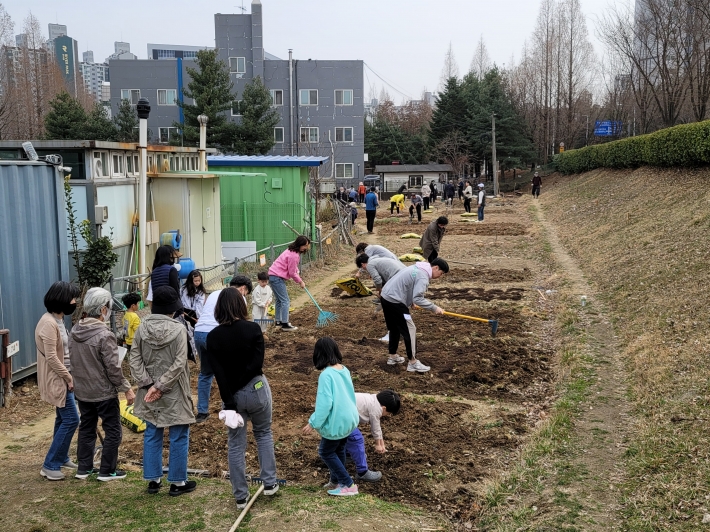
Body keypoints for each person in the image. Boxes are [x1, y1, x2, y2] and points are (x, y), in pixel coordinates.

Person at [207, 288, 280, 509]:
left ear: (219, 308)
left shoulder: (213, 337)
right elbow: (256, 365)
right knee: (263, 433)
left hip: (231, 397)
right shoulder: (253, 329)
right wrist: (240, 385)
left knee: (236, 444)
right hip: (257, 389)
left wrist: (229, 400)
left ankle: (240, 496)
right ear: (241, 305)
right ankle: (270, 484)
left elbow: (218, 373)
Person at [129, 286, 196, 497]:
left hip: (149, 390)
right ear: (174, 307)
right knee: (178, 433)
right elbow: (179, 363)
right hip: (174, 388)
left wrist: (148, 385)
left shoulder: (141, 328)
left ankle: (153, 479)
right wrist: (161, 385)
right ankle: (177, 482)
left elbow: (134, 358)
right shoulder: (179, 329)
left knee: (152, 431)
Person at [69, 287, 135, 481]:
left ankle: (84, 468)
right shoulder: (104, 335)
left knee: (87, 427)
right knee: (113, 429)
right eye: (108, 307)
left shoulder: (74, 331)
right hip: (103, 392)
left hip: (83, 391)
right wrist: (127, 389)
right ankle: (107, 470)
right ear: (103, 310)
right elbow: (113, 368)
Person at [302, 338, 360, 496]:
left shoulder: (326, 375)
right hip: (349, 419)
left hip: (337, 421)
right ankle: (335, 481)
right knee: (339, 449)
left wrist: (313, 422)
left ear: (319, 354)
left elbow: (325, 404)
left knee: (326, 452)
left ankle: (348, 485)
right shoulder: (344, 369)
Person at [36, 281, 81, 481]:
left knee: (62, 418)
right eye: (72, 298)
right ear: (62, 299)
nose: (75, 301)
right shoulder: (48, 322)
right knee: (72, 419)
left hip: (64, 377)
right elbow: (52, 357)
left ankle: (61, 457)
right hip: (58, 379)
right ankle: (50, 464)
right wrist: (69, 377)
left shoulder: (58, 319)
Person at [194, 275, 253, 423]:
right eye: (246, 293)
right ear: (243, 289)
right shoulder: (239, 298)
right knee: (228, 371)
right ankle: (232, 406)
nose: (244, 295)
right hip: (216, 335)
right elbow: (239, 323)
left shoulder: (214, 293)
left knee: (206, 373)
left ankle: (202, 412)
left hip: (199, 332)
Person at [380, 258, 449, 372]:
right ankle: (413, 362)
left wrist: (411, 301)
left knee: (394, 327)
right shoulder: (423, 276)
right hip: (395, 301)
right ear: (435, 267)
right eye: (441, 273)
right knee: (410, 329)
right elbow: (418, 297)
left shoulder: (416, 268)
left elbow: (407, 285)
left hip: (386, 297)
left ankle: (392, 356)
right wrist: (434, 308)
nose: (440, 276)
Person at [344, 390, 401, 483]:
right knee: (356, 439)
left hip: (341, 414)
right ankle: (362, 472)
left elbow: (378, 428)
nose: (387, 415)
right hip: (342, 417)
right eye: (388, 413)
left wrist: (382, 443)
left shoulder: (373, 399)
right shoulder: (376, 409)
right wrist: (378, 445)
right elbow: (375, 427)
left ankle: (346, 456)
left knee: (346, 437)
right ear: (384, 408)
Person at [355, 253, 405, 344]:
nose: (365, 270)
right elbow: (384, 278)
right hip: (404, 275)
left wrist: (379, 290)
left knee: (390, 306)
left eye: (363, 269)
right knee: (399, 306)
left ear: (363, 264)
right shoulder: (377, 259)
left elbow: (378, 280)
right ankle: (403, 330)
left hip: (398, 278)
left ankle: (394, 333)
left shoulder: (370, 265)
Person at [268, 235, 310, 331]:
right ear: (300, 245)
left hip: (273, 276)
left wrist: (297, 271)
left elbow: (292, 267)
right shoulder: (294, 255)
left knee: (279, 300)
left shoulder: (291, 250)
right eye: (305, 245)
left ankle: (278, 321)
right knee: (285, 301)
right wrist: (300, 281)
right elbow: (291, 273)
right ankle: (285, 324)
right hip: (276, 277)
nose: (306, 248)